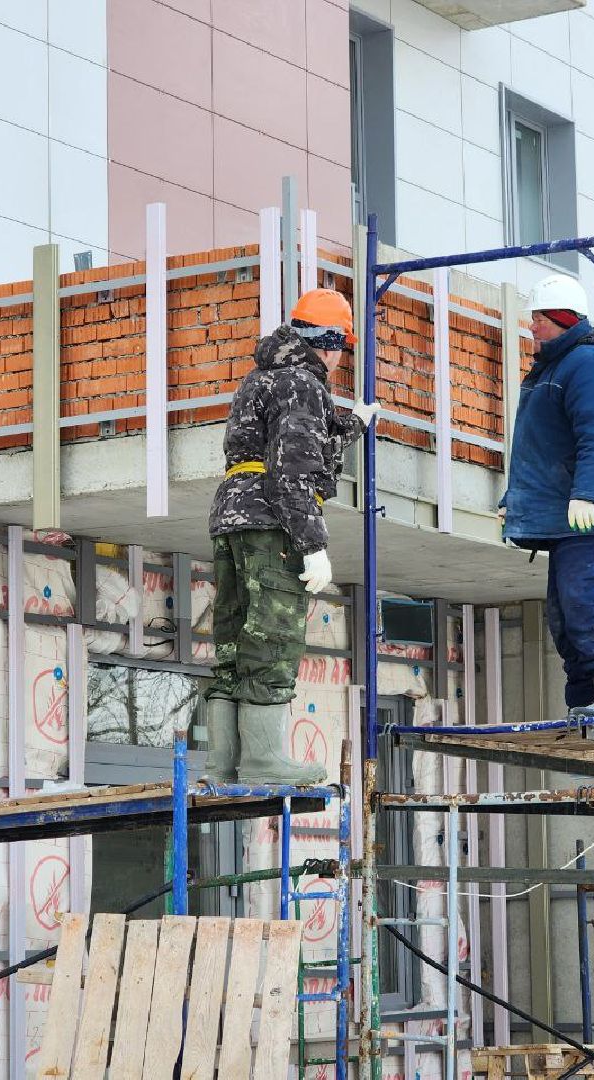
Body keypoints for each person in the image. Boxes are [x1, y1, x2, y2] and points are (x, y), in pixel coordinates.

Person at [204, 288, 378, 783]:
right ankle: (263, 761)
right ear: (328, 342)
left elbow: (288, 441)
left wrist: (348, 425)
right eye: (341, 346)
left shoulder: (263, 376)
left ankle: (224, 764)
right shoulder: (303, 383)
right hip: (272, 524)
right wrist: (312, 543)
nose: (341, 358)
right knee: (273, 640)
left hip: (234, 519)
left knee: (234, 643)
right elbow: (295, 470)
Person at [499, 273, 594, 718]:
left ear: (559, 318)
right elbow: (542, 445)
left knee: (588, 602)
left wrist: (588, 494)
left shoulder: (587, 364)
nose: (531, 327)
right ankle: (587, 696)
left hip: (591, 514)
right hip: (569, 516)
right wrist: (518, 499)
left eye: (538, 318)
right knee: (565, 615)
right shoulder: (557, 366)